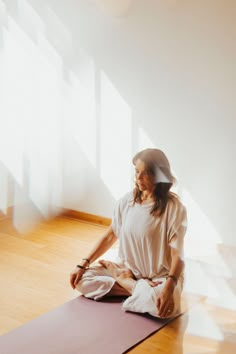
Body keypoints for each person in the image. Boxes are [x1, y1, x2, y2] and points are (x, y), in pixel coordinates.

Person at [70, 148, 187, 318]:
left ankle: (125, 282)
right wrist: (83, 264)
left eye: (145, 173)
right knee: (81, 281)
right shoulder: (126, 202)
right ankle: (135, 287)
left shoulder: (174, 208)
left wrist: (169, 287)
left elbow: (178, 255)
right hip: (128, 269)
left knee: (163, 308)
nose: (138, 178)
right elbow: (110, 236)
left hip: (162, 277)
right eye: (137, 171)